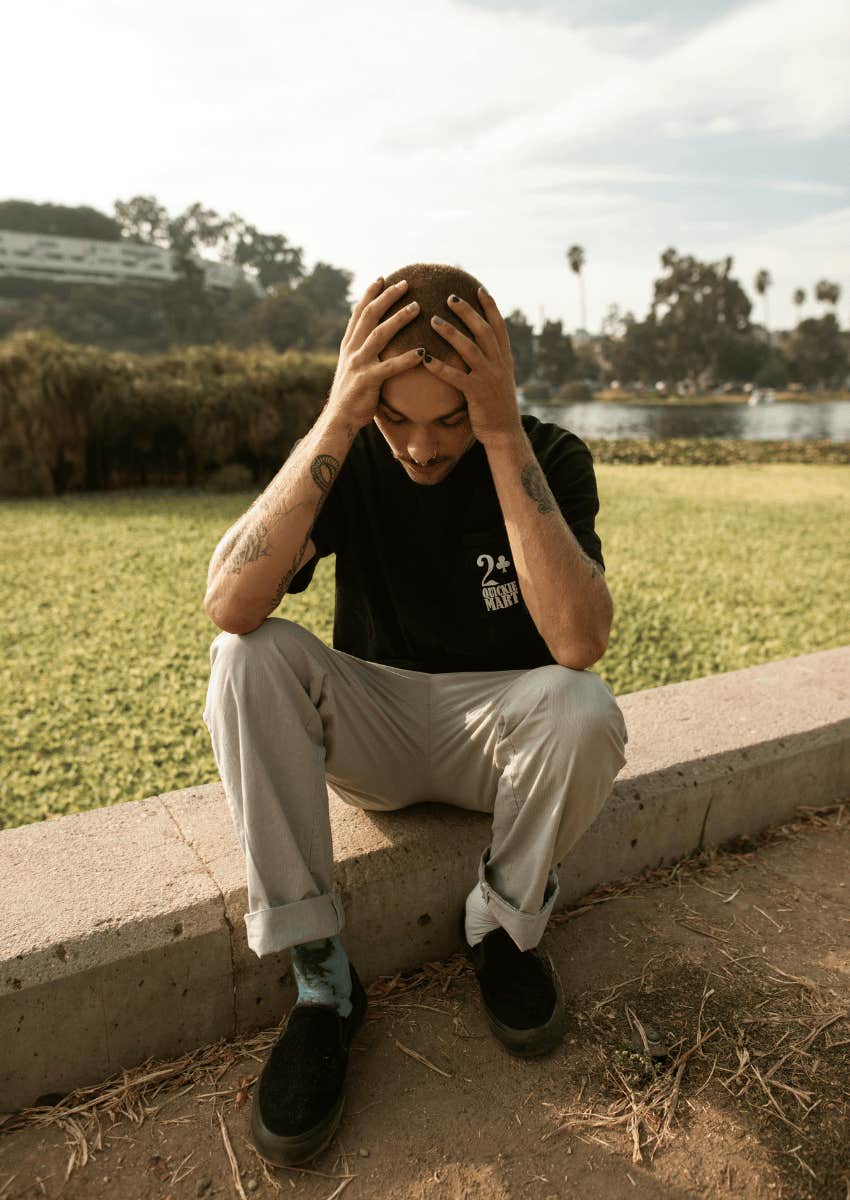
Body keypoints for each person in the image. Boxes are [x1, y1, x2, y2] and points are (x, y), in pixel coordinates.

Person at [202, 262, 628, 1167]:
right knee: (249, 657)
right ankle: (321, 979)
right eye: (396, 417)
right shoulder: (350, 455)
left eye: (450, 420)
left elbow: (579, 642)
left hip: (496, 729)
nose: (423, 448)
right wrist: (338, 420)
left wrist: (502, 433)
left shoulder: (548, 455)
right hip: (376, 717)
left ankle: (500, 929)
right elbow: (231, 602)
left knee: (583, 707)